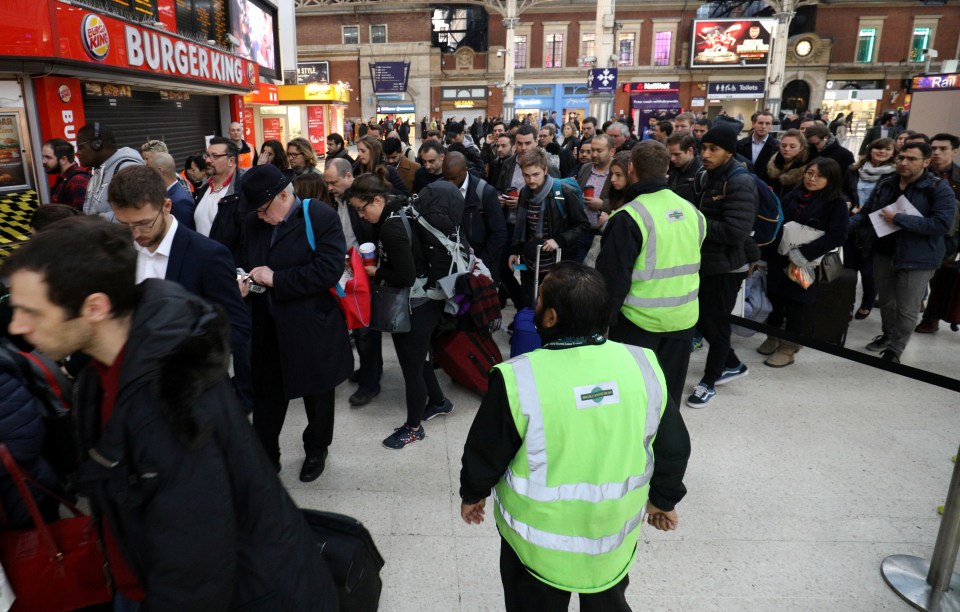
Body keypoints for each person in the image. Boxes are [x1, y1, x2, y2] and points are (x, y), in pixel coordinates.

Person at [3, 217, 338, 609]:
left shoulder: (170, 401)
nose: (17, 325)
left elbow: (196, 570)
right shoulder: (101, 372)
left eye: (33, 312)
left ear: (95, 308)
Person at [459, 261, 691, 611]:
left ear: (550, 318)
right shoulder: (643, 365)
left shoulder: (518, 378)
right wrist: (663, 499)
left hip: (536, 546)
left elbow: (486, 450)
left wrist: (473, 494)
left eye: (539, 301)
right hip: (612, 537)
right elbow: (674, 447)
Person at [108, 165, 254, 412]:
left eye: (144, 223)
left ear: (166, 206)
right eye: (125, 224)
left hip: (189, 399)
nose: (134, 234)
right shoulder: (116, 252)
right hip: (133, 394)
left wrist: (181, 356)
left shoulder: (208, 255)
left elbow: (237, 328)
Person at [238, 165, 351, 480]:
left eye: (263, 209)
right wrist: (244, 278)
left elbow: (328, 270)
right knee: (267, 399)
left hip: (311, 327)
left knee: (318, 397)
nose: (260, 217)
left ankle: (316, 450)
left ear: (284, 195)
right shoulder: (253, 222)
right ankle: (266, 456)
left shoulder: (318, 216)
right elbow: (244, 258)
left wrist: (277, 278)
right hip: (268, 327)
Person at [345, 175, 454, 449]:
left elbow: (404, 276)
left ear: (378, 199)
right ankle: (439, 402)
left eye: (363, 208)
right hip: (429, 298)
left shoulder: (390, 228)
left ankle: (413, 428)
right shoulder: (401, 208)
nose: (361, 215)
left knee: (412, 369)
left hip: (415, 304)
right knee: (420, 359)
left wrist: (375, 271)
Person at [596, 141, 706, 408]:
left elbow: (612, 280)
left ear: (632, 168)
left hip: (638, 324)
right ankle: (667, 444)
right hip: (683, 320)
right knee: (668, 397)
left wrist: (602, 324)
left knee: (634, 398)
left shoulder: (629, 216)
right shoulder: (693, 213)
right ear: (667, 169)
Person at [849, 142, 956, 363]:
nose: (904, 162)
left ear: (926, 162)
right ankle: (888, 337)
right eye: (901, 157)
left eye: (911, 159)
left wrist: (899, 219)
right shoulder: (887, 183)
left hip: (918, 257)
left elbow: (942, 225)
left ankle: (895, 350)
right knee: (887, 302)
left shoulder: (938, 188)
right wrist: (841, 227)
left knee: (907, 308)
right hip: (883, 252)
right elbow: (868, 213)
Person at [687, 126, 758, 408]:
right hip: (707, 262)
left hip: (727, 267)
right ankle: (731, 363)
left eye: (713, 149)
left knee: (716, 323)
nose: (705, 154)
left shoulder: (740, 181)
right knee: (702, 319)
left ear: (729, 152)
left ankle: (709, 381)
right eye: (703, 148)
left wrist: (695, 224)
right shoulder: (707, 176)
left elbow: (736, 232)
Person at [756, 158, 849, 366]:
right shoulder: (794, 194)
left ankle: (788, 347)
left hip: (806, 262)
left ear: (831, 179)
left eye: (819, 176)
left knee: (796, 304)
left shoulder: (836, 203)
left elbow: (837, 236)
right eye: (809, 173)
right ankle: (772, 335)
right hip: (781, 257)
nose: (811, 178)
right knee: (775, 298)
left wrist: (804, 253)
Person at [323, 159, 382, 407]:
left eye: (333, 182)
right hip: (348, 272)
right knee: (359, 327)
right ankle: (370, 370)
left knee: (366, 329)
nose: (329, 188)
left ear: (349, 177)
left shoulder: (361, 202)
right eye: (327, 183)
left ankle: (370, 384)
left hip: (365, 273)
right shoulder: (337, 202)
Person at [508, 149, 589, 305]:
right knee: (530, 302)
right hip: (530, 261)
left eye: (535, 174)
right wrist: (515, 250)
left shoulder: (563, 191)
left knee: (552, 305)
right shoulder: (525, 193)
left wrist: (558, 240)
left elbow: (582, 225)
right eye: (526, 175)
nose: (531, 180)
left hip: (556, 264)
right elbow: (522, 226)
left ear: (545, 170)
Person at [843, 137, 896, 320]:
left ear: (893, 153)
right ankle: (846, 303)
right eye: (878, 148)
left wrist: (869, 210)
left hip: (877, 225)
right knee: (849, 267)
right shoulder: (854, 170)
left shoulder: (894, 175)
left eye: (887, 149)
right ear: (870, 150)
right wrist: (848, 203)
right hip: (852, 220)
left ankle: (866, 303)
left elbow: (893, 199)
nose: (882, 152)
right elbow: (843, 190)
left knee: (868, 270)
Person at [916, 132, 960, 333]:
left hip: (947, 237)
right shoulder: (919, 172)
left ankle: (931, 318)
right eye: (933, 148)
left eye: (943, 149)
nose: (937, 153)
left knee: (939, 280)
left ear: (955, 151)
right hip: (916, 231)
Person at [442, 151, 507, 283]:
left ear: (466, 170)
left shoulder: (485, 192)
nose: (450, 182)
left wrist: (480, 263)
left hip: (480, 265)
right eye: (446, 177)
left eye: (454, 178)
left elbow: (499, 233)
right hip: (451, 265)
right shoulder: (439, 189)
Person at [76, 122, 144, 220]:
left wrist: (94, 220)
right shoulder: (97, 173)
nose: (77, 152)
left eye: (80, 147)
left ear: (96, 145)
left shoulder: (127, 169)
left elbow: (137, 213)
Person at [193, 137, 244, 263]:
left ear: (231, 161)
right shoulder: (204, 187)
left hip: (227, 267)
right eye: (207, 155)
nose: (208, 160)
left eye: (215, 156)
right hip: (202, 264)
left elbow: (245, 241)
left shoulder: (241, 192)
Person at [574, 133, 614, 261]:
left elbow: (624, 201)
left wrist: (602, 204)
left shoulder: (617, 172)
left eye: (599, 151)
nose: (594, 154)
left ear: (611, 151)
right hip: (581, 230)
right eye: (593, 150)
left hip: (602, 233)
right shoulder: (585, 168)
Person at [147, 152, 197, 230]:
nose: (147, 175)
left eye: (149, 170)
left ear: (160, 171)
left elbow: (185, 234)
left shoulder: (180, 201)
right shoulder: (171, 194)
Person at [761, 129, 811, 199]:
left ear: (801, 148)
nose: (787, 149)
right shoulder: (771, 162)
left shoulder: (808, 168)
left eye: (792, 146)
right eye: (783, 145)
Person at [42, 138, 89, 210]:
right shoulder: (63, 178)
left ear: (64, 159)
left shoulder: (77, 181)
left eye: (48, 157)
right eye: (43, 157)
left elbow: (80, 217)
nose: (44, 161)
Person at [666, 132, 703, 206]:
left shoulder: (701, 173)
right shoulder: (674, 168)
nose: (672, 159)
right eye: (670, 154)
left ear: (690, 151)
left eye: (677, 154)